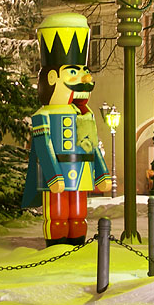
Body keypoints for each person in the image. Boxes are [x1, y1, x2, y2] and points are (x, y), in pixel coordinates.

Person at [21, 13, 111, 247]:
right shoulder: (44, 116)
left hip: (80, 173)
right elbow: (43, 147)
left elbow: (91, 145)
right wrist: (53, 176)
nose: (83, 76)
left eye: (82, 69)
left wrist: (101, 174)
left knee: (79, 215)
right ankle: (57, 248)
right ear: (52, 77)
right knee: (58, 215)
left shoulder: (84, 114)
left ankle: (76, 245)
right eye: (73, 71)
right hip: (57, 175)